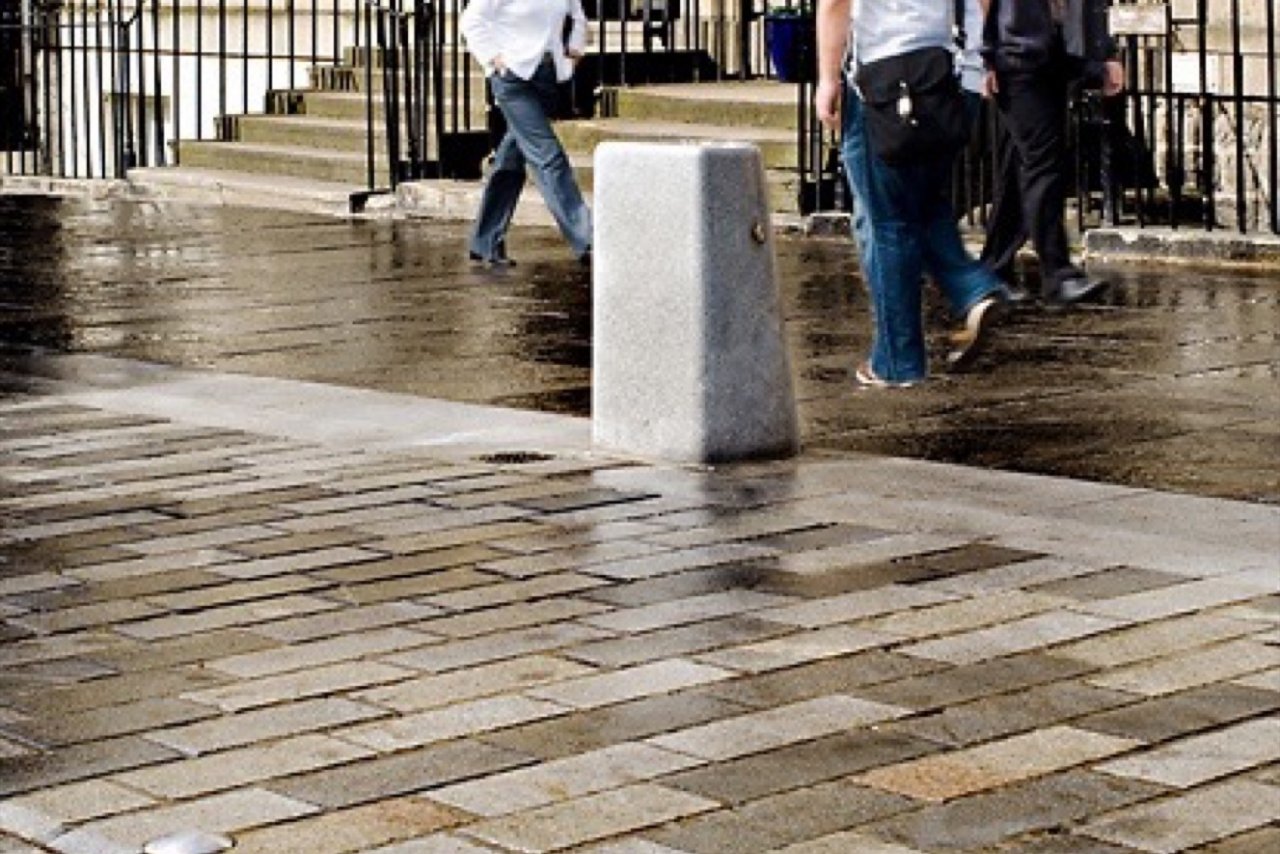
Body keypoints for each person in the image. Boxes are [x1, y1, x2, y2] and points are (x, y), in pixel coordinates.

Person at [814, 0, 1007, 388]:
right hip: (956, 76)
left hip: (888, 83)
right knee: (921, 202)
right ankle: (974, 289)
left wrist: (828, 79)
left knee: (887, 220)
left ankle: (897, 361)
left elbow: (835, 4)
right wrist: (991, 57)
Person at [979, 0, 1125, 304]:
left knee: (1024, 161)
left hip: (1054, 54)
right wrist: (983, 58)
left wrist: (1103, 55)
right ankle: (1057, 274)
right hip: (1017, 55)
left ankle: (992, 268)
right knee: (1042, 163)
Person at [459, 0, 593, 267]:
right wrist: (493, 58)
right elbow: (471, 21)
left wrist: (575, 52)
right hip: (512, 80)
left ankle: (485, 242)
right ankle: (588, 240)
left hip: (546, 77)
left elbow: (578, 16)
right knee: (548, 156)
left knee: (511, 158)